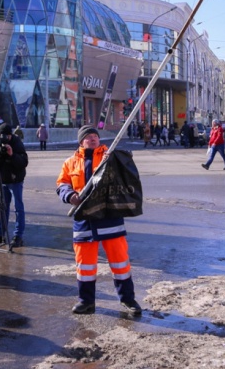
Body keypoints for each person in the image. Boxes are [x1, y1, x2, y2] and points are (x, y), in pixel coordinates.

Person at [56, 126, 143, 316]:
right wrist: (69, 195)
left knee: (120, 262)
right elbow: (62, 184)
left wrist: (119, 157)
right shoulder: (70, 163)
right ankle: (86, 301)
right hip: (84, 220)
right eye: (89, 137)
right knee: (85, 265)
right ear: (81, 141)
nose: (93, 139)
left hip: (109, 216)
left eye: (95, 136)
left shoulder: (109, 157)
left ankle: (128, 300)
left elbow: (124, 169)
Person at [0, 123, 28, 248]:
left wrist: (12, 155)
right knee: (3, 207)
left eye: (7, 136)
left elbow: (24, 162)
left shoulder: (17, 143)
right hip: (3, 179)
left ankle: (18, 236)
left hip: (15, 180)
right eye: (3, 135)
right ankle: (0, 234)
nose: (5, 138)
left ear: (11, 135)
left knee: (18, 208)